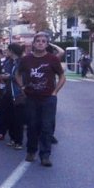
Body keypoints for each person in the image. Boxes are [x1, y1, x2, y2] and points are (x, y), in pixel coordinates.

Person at [16, 32, 66, 167]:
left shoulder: (52, 59)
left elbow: (62, 76)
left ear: (47, 44)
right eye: (38, 41)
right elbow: (18, 74)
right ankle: (31, 151)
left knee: (47, 126)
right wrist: (22, 87)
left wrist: (55, 92)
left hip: (48, 98)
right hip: (31, 97)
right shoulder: (26, 59)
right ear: (33, 43)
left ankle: (45, 155)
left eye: (44, 41)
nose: (40, 43)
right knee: (32, 125)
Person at [0, 43, 26, 150]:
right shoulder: (8, 62)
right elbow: (4, 71)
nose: (7, 52)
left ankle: (18, 141)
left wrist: (8, 77)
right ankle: (12, 138)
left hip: (18, 93)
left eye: (8, 50)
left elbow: (21, 77)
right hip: (7, 92)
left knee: (18, 119)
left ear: (12, 51)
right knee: (8, 117)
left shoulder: (22, 62)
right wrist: (3, 76)